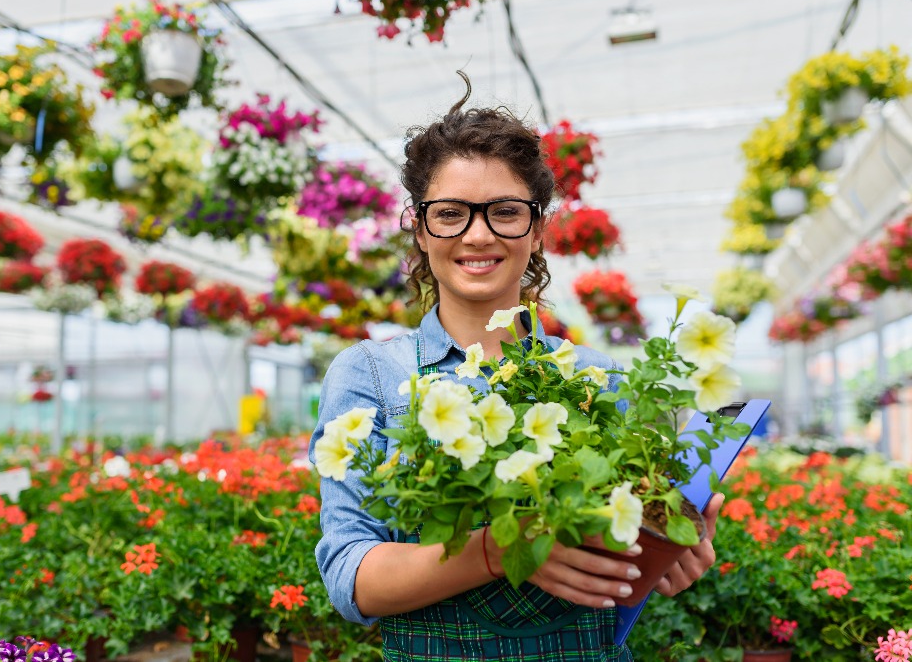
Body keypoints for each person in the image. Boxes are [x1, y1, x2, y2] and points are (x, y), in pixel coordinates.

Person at [309, 75, 724, 661]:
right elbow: (351, 579)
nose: (477, 234)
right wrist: (498, 550)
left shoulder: (597, 377)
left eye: (505, 211)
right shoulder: (370, 374)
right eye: (450, 213)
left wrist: (670, 550)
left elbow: (628, 550)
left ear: (537, 230)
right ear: (420, 228)